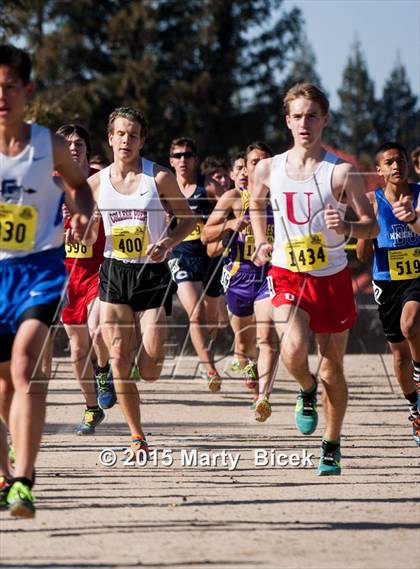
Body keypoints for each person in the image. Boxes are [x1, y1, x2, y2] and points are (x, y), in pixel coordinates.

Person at [250, 83, 378, 475]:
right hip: (289, 273)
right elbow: (255, 201)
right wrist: (260, 240)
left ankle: (331, 443)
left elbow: (370, 226)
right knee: (292, 348)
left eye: (312, 116)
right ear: (287, 121)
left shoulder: (341, 172)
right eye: (297, 116)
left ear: (324, 120)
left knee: (332, 370)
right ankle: (304, 390)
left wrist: (351, 227)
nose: (304, 123)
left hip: (332, 278)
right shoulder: (268, 167)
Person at [0, 44, 94, 517]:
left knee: (23, 368)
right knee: (1, 387)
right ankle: (4, 472)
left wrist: (80, 216)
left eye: (9, 87)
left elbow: (80, 188)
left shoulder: (49, 146)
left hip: (38, 269)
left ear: (27, 91)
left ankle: (24, 479)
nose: (1, 97)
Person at [87, 107, 196, 455]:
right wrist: (84, 231)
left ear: (141, 140)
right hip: (115, 272)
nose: (126, 140)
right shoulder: (95, 183)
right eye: (120, 134)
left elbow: (188, 221)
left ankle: (133, 368)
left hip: (151, 273)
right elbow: (87, 234)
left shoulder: (159, 178)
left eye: (133, 135)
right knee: (118, 357)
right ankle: (137, 436)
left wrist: (167, 242)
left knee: (148, 369)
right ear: (110, 138)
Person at [202, 143, 278, 421]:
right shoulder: (234, 197)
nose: (260, 166)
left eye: (265, 161)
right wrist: (230, 226)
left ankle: (263, 398)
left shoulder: (281, 196)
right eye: (255, 161)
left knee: (267, 337)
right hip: (240, 276)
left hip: (271, 274)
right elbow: (205, 236)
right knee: (245, 345)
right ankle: (249, 369)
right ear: (245, 167)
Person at [356, 142, 420, 445]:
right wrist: (367, 230)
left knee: (412, 324)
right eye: (390, 162)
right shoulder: (371, 201)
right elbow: (361, 255)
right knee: (398, 355)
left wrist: (412, 217)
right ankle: (415, 407)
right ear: (379, 170)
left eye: (401, 160)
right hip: (387, 281)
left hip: (418, 277)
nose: (397, 166)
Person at [56, 124, 115, 435]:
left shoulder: (103, 181)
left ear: (87, 150)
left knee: (98, 329)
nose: (73, 147)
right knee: (78, 350)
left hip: (99, 269)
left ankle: (103, 370)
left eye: (79, 142)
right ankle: (92, 408)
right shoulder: (50, 184)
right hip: (66, 276)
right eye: (67, 143)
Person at [168, 137, 224, 392]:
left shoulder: (208, 187)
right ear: (171, 161)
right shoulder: (165, 187)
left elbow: (230, 208)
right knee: (196, 312)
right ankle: (210, 367)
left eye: (187, 155)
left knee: (214, 320)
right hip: (179, 255)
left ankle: (206, 353)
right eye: (177, 156)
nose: (183, 160)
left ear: (195, 159)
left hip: (208, 256)